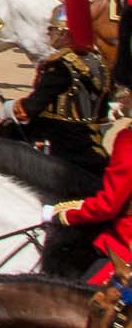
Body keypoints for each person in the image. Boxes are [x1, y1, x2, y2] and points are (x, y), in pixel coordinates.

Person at [1, 0, 109, 175]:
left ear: (65, 33)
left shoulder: (59, 66)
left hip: (60, 146)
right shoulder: (98, 62)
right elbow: (102, 116)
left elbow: (28, 110)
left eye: (52, 29)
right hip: (92, 145)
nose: (48, 33)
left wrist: (9, 109)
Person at [46, 106, 132, 285]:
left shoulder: (128, 141)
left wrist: (62, 214)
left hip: (125, 247)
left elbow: (108, 205)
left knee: (82, 304)